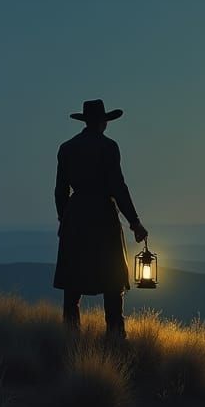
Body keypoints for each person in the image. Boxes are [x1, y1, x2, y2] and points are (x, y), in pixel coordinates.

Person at [53, 99, 148, 338]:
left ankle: (70, 337)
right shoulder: (108, 147)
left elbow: (60, 190)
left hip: (75, 217)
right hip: (103, 216)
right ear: (103, 122)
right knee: (112, 279)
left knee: (72, 283)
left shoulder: (67, 148)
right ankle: (115, 337)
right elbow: (118, 187)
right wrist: (135, 222)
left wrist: (64, 219)